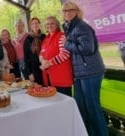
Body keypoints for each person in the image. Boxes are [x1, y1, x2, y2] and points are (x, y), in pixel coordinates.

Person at [60, 1, 109, 136]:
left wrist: (67, 44)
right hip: (80, 73)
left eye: (70, 10)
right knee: (81, 105)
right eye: (64, 11)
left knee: (92, 107)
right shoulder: (69, 27)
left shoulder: (82, 26)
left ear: (76, 11)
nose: (67, 13)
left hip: (91, 71)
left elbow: (88, 48)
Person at [39, 16, 73, 96]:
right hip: (50, 79)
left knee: (64, 104)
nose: (49, 25)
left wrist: (49, 63)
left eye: (52, 23)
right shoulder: (45, 39)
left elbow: (65, 54)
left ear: (57, 25)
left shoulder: (62, 36)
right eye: (47, 24)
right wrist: (42, 60)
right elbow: (41, 53)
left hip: (61, 78)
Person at [24, 17, 45, 85]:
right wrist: (30, 73)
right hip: (33, 69)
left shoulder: (44, 37)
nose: (35, 25)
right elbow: (26, 58)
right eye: (33, 24)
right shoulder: (27, 39)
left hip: (44, 67)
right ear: (30, 26)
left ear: (39, 24)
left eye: (36, 23)